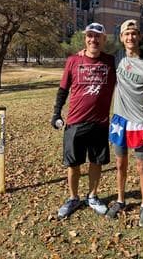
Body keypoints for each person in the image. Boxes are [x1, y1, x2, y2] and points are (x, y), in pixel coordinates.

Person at [51, 22, 116, 219]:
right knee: (73, 164)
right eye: (90, 36)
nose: (93, 39)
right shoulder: (73, 60)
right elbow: (63, 90)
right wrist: (56, 113)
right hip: (75, 123)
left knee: (96, 162)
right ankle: (73, 198)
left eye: (97, 36)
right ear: (85, 39)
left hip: (100, 123)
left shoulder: (111, 62)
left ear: (104, 40)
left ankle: (93, 196)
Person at [106, 19, 143, 228]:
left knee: (141, 166)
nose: (130, 37)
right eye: (126, 34)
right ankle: (120, 200)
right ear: (121, 38)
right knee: (120, 164)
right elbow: (94, 51)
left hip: (140, 123)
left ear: (140, 37)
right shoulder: (116, 59)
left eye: (134, 33)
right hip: (120, 120)